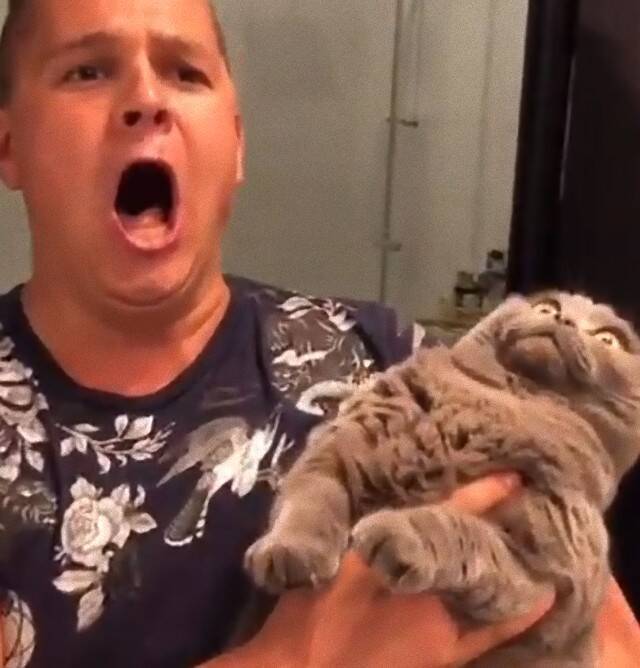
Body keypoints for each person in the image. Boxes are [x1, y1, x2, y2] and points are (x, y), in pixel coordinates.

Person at [0, 1, 635, 666]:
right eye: (88, 71)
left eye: (185, 73)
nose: (147, 99)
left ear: (236, 144)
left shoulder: (390, 363)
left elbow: (608, 643)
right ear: (9, 145)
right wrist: (290, 660)